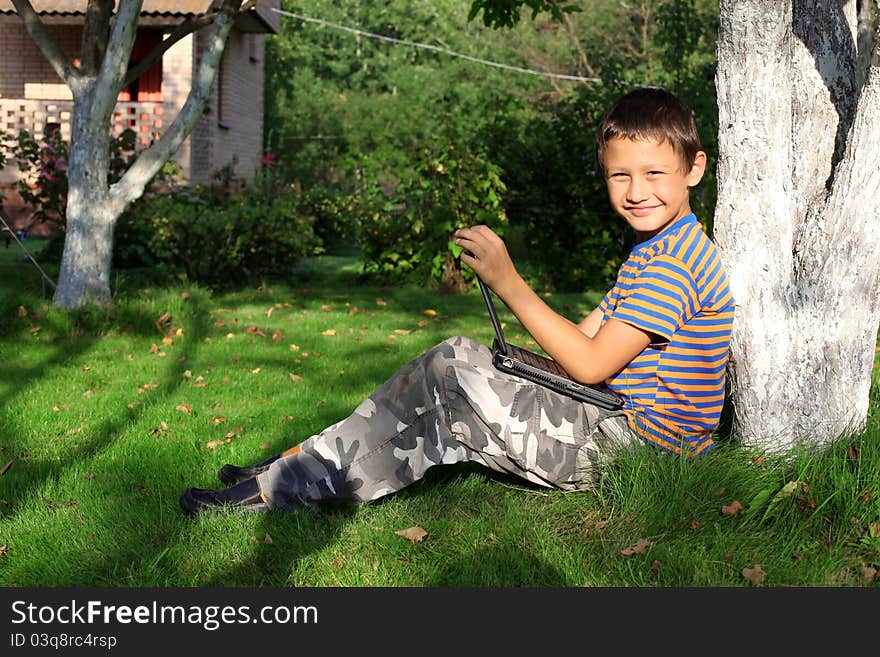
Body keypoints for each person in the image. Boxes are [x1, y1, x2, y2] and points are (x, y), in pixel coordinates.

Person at [179, 87, 735, 515]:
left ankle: (284, 486)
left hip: (634, 451)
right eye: (621, 175)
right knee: (455, 359)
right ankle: (297, 465)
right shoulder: (655, 249)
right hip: (615, 422)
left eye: (654, 174)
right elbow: (586, 345)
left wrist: (508, 282)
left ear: (694, 168)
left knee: (450, 383)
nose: (637, 191)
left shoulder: (674, 264)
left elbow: (591, 364)